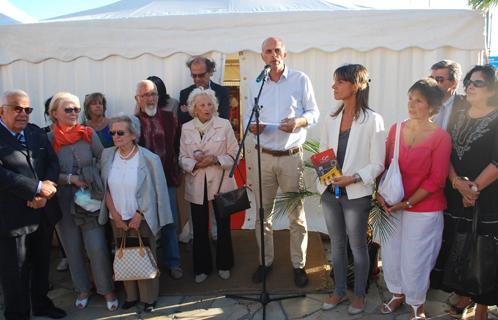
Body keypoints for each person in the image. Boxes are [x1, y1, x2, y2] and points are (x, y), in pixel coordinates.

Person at [244, 36, 320, 287]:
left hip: (291, 157)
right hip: (263, 156)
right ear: (262, 56)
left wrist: (298, 122)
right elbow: (247, 117)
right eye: (268, 51)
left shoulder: (300, 79)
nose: (273, 55)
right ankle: (265, 262)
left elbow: (314, 113)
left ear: (285, 54)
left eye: (277, 50)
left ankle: (298, 265)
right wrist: (252, 127)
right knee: (262, 215)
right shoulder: (257, 84)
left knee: (296, 216)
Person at [377, 78, 451, 320]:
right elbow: (386, 165)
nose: (411, 104)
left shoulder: (441, 137)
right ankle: (397, 293)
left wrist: (407, 203)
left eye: (418, 100)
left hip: (425, 208)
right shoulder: (396, 129)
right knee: (391, 253)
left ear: (431, 106)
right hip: (393, 204)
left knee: (417, 258)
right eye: (410, 98)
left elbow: (437, 180)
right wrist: (381, 194)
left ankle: (416, 304)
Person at [319, 65, 386, 314]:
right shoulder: (331, 117)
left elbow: (377, 162)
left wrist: (353, 178)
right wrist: (328, 177)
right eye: (334, 82)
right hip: (330, 192)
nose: (333, 87)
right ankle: (338, 291)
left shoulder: (373, 120)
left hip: (357, 194)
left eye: (339, 82)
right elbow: (324, 152)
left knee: (357, 246)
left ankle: (359, 295)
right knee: (336, 244)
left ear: (356, 85)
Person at [47, 92, 118, 311]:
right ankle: (82, 289)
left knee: (96, 247)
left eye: (77, 109)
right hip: (63, 199)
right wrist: (70, 178)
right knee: (73, 249)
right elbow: (46, 172)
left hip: (90, 200)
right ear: (54, 113)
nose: (74, 113)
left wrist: (91, 174)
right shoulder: (48, 139)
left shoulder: (87, 133)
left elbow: (103, 158)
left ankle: (107, 289)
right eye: (68, 109)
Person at [437, 64, 498, 320]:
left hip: (488, 197)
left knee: (484, 252)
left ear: (492, 89)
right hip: (457, 195)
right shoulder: (458, 114)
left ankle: (482, 306)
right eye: (469, 82)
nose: (470, 86)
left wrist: (472, 189)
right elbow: (446, 153)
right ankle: (464, 294)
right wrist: (456, 183)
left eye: (478, 83)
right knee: (459, 246)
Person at [0, 90, 66, 319]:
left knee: (41, 264)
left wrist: (45, 193)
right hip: (12, 218)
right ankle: (17, 314)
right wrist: (36, 189)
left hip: (42, 212)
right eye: (17, 108)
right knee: (15, 272)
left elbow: (52, 163)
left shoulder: (35, 133)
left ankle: (41, 304)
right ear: (2, 110)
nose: (23, 114)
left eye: (27, 110)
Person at [99, 115, 173, 313]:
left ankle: (149, 298)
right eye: (112, 133)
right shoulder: (107, 155)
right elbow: (104, 187)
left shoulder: (149, 158)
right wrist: (113, 213)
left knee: (145, 255)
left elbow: (156, 190)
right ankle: (131, 296)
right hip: (118, 218)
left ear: (133, 135)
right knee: (124, 254)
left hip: (142, 217)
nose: (115, 136)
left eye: (120, 132)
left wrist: (139, 214)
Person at [179, 88, 238, 283]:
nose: (207, 108)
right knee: (199, 227)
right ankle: (201, 268)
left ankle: (224, 264)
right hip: (196, 183)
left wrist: (215, 159)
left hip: (220, 184)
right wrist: (195, 164)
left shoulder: (225, 125)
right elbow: (181, 158)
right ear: (194, 109)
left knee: (222, 226)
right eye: (202, 105)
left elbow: (235, 154)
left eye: (209, 104)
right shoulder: (186, 128)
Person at [134, 79, 183, 279]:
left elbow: (178, 145)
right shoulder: (132, 122)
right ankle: (150, 264)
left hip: (167, 180)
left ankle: (174, 263)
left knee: (169, 222)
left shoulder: (170, 117)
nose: (150, 98)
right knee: (147, 225)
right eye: (145, 95)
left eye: (153, 94)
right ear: (137, 98)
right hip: (143, 184)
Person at [178, 56, 230, 125]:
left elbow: (223, 119)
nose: (197, 79)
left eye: (201, 75)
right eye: (194, 75)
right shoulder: (185, 93)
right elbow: (183, 121)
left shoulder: (222, 92)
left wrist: (192, 113)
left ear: (211, 72)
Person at [430, 60, 468, 131]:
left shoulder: (466, 105)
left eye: (439, 79)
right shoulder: (425, 103)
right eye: (431, 79)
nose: (433, 83)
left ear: (454, 83)